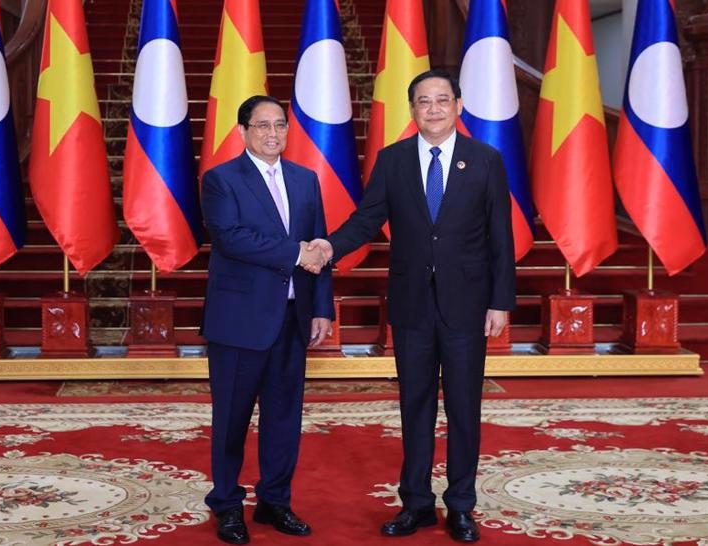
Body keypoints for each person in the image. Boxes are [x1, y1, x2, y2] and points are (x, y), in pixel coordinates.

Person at [307, 70, 516, 543]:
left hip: (467, 305)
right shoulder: (393, 160)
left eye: (443, 100)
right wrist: (327, 248)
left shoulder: (485, 160)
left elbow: (500, 237)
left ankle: (461, 505)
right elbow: (366, 220)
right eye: (425, 101)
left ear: (459, 106)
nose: (435, 109)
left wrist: (501, 301)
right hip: (412, 306)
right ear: (413, 110)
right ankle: (417, 504)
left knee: (464, 408)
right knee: (414, 405)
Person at [201, 95, 333, 545]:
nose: (272, 134)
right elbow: (232, 238)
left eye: (279, 125)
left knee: (283, 418)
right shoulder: (221, 180)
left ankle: (275, 501)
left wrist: (321, 307)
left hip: (293, 318)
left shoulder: (305, 179)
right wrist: (297, 252)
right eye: (262, 126)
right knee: (232, 421)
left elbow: (320, 247)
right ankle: (227, 505)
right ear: (243, 132)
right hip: (239, 321)